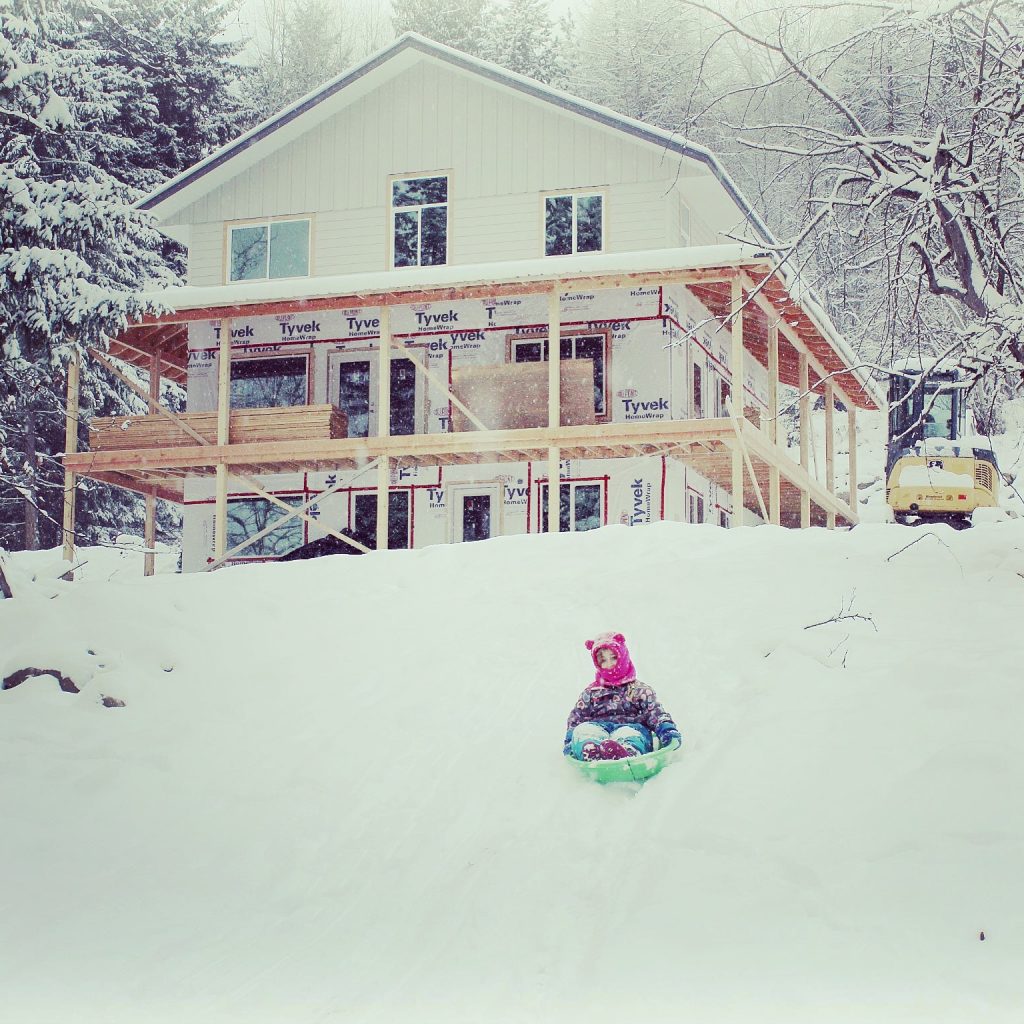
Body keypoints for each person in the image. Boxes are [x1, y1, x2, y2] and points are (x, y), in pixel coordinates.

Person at [563, 631, 681, 762]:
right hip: (599, 728)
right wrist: (571, 739)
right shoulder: (591, 693)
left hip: (631, 727)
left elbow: (655, 713)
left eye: (614, 657)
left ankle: (626, 752)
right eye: (603, 660)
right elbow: (577, 718)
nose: (609, 664)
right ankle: (591, 751)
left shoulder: (640, 690)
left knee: (629, 734)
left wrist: (666, 730)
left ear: (623, 656)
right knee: (585, 730)